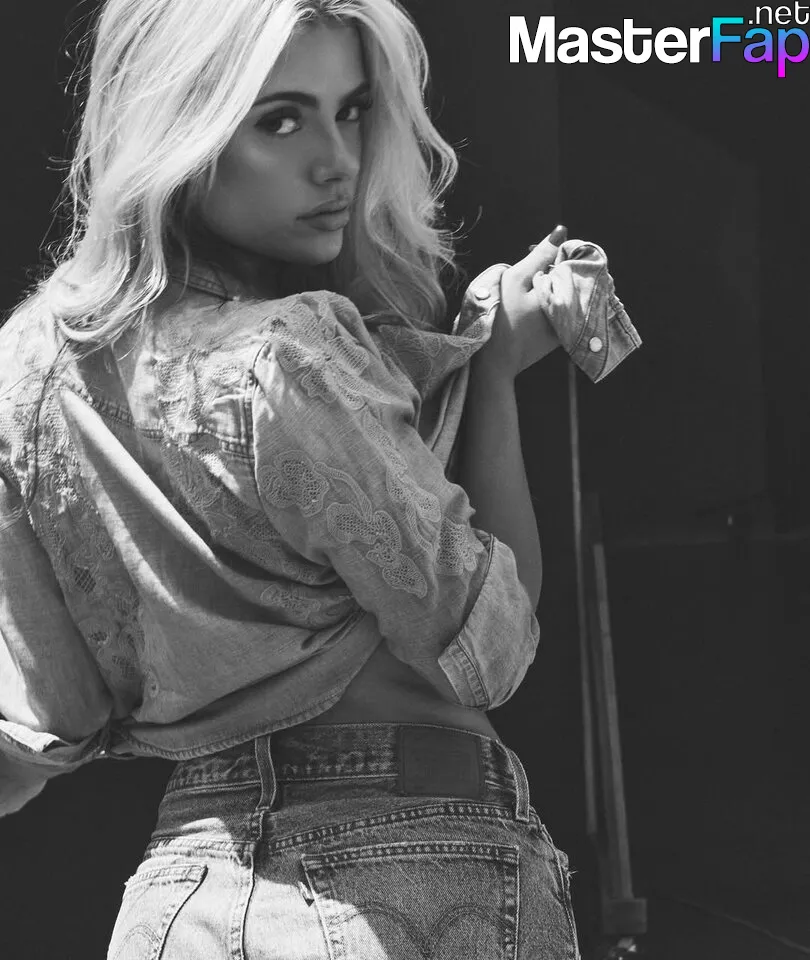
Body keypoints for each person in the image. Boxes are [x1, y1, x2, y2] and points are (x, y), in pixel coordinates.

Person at [0, 0, 638, 956]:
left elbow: (48, 723)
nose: (337, 161)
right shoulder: (293, 353)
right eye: (281, 119)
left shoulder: (25, 373)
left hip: (180, 893)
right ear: (180, 128)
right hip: (405, 863)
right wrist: (497, 374)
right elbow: (490, 649)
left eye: (352, 111)